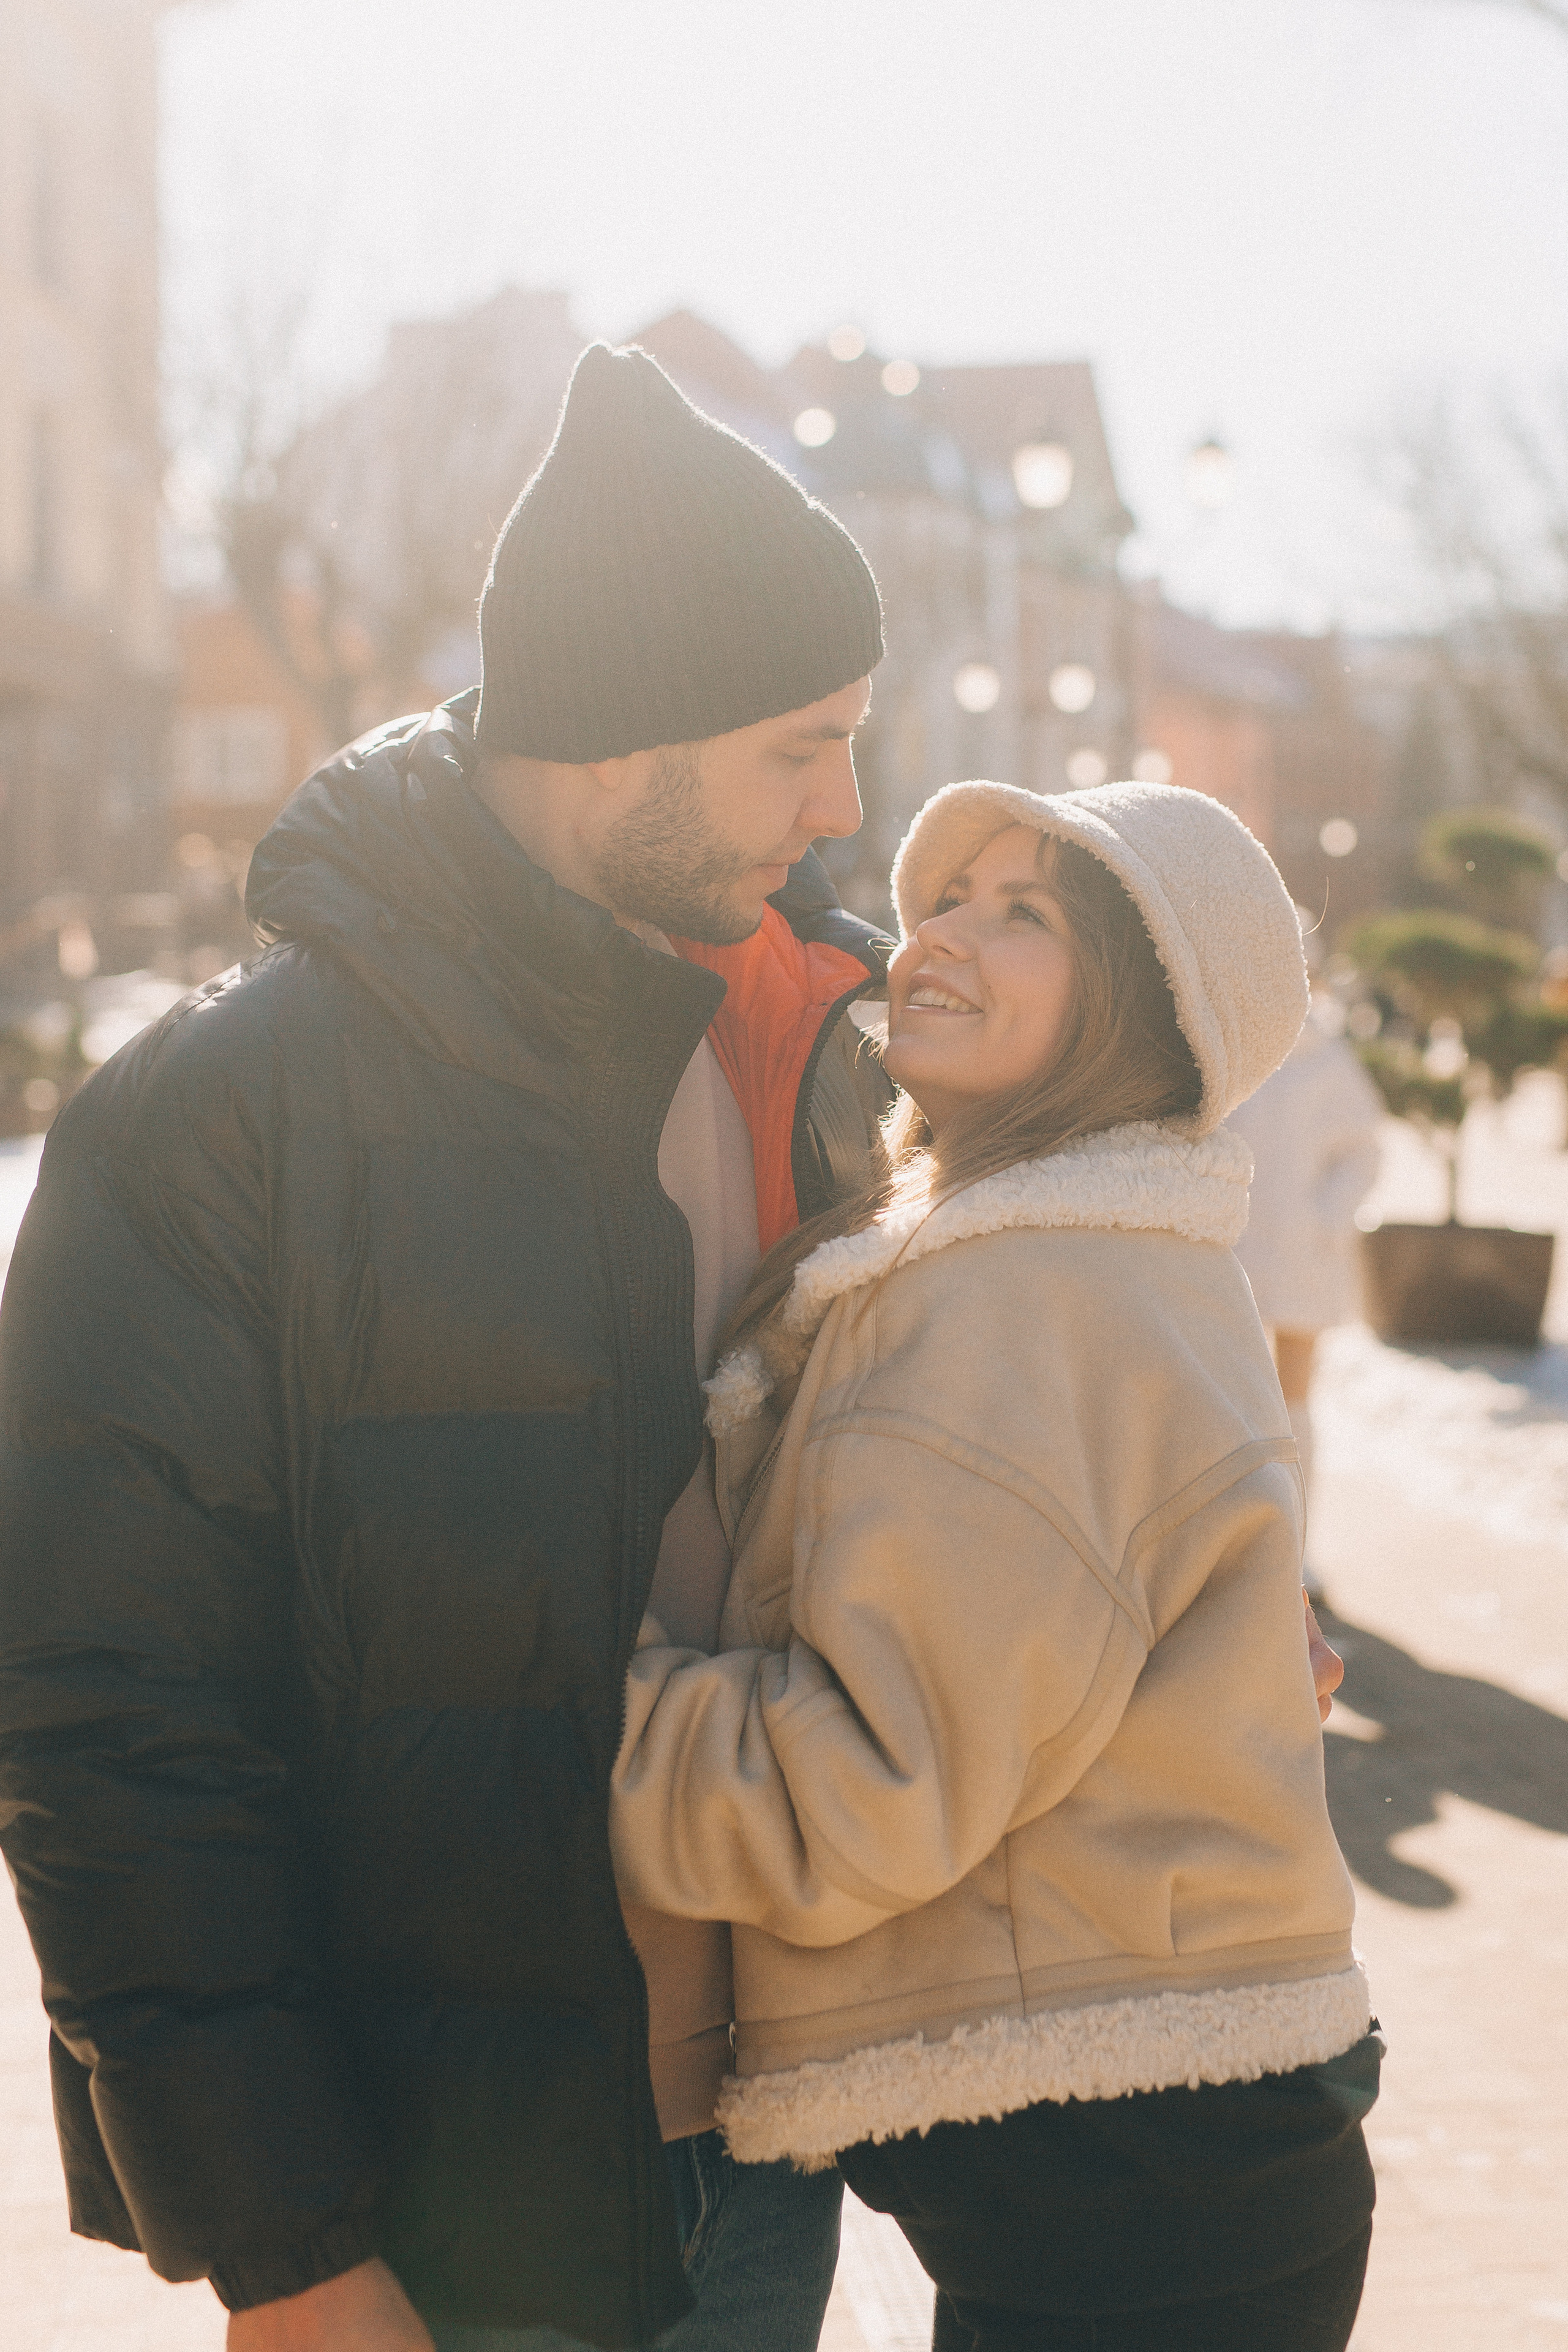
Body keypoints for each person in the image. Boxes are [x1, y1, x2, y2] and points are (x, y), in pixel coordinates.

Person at [0, 345, 890, 2351]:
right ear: (609, 740)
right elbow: (109, 1724)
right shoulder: (216, 1124)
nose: (846, 807)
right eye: (795, 747)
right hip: (436, 2218)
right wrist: (285, 2252)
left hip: (781, 2145)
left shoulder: (833, 1042)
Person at [612, 779, 1379, 2351]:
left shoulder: (1021, 1292)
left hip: (1135, 2204)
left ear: (1146, 1013)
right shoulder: (1094, 1250)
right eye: (949, 894)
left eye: (1026, 912)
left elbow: (865, 1785)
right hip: (1163, 2171)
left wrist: (560, 1705)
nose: (944, 933)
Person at [1229, 916, 1384, 1605]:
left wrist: (1325, 1218)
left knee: (1294, 1403)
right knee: (1225, 1400)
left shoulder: (1327, 1059)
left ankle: (1296, 1548)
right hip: (1227, 1253)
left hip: (1300, 1260)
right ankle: (1236, 1544)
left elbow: (1363, 1149)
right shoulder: (1231, 1053)